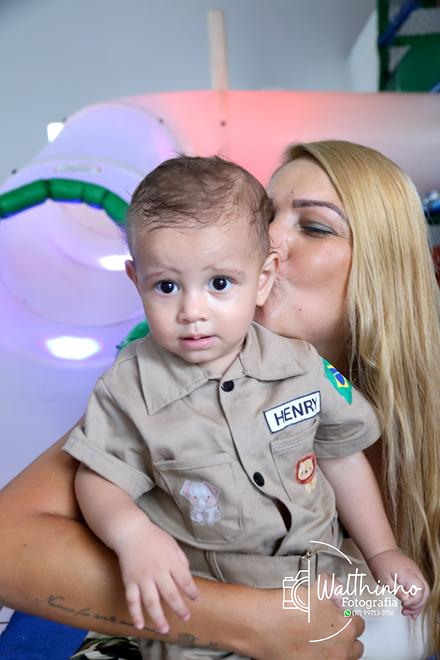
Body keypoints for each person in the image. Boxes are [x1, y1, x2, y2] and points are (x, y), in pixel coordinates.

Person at [0, 140, 438, 660]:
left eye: (315, 227)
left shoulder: (320, 385)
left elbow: (343, 460)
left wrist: (383, 554)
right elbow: (12, 542)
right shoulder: (156, 376)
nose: (269, 238)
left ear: (385, 267)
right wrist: (251, 622)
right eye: (266, 216)